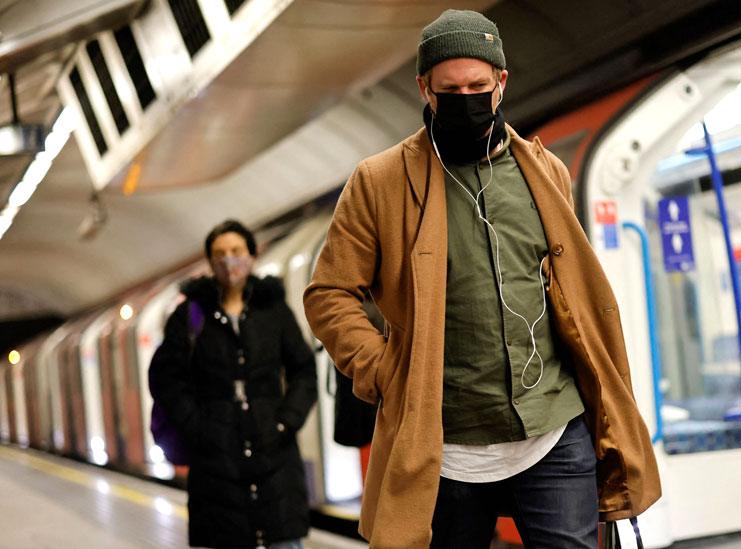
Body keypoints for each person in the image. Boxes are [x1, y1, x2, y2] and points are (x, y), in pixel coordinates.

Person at [304, 9, 661, 548]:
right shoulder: (379, 183)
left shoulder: (545, 172)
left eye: (477, 85)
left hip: (554, 431)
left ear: (501, 85)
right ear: (425, 88)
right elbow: (329, 293)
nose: (466, 99)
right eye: (450, 90)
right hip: (446, 448)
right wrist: (382, 370)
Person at [150, 219, 318, 549]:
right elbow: (167, 380)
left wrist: (285, 422)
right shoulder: (190, 315)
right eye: (220, 254)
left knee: (282, 539)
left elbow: (304, 370)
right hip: (216, 469)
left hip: (275, 461)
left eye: (237, 251)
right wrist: (199, 427)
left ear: (252, 255)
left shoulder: (273, 310)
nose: (229, 260)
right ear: (210, 262)